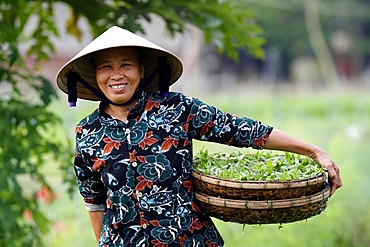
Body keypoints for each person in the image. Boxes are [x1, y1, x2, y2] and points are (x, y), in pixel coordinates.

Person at [56, 26, 342, 247]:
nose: (116, 75)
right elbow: (94, 200)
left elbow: (242, 130)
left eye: (126, 65)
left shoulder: (177, 109)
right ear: (95, 76)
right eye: (106, 66)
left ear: (141, 71)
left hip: (188, 239)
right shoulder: (87, 132)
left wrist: (312, 151)